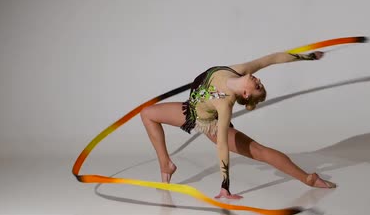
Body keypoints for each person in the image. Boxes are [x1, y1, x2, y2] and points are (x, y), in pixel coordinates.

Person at [140, 50, 336, 199]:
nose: (258, 79)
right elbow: (273, 59)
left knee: (259, 151)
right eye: (260, 82)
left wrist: (225, 186)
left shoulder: (224, 103)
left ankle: (308, 178)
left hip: (210, 123)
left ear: (246, 94)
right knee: (147, 114)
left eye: (257, 86)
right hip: (190, 110)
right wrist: (309, 57)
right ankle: (166, 165)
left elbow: (222, 145)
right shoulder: (241, 70)